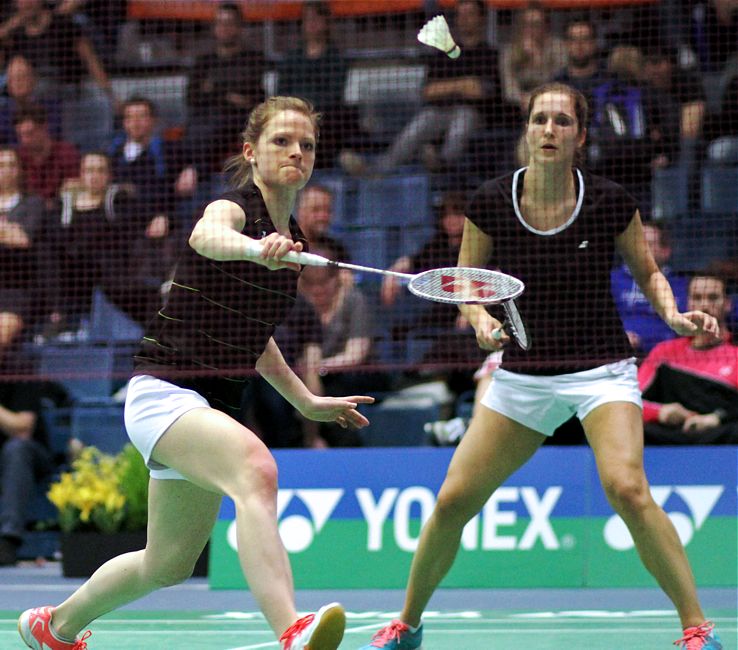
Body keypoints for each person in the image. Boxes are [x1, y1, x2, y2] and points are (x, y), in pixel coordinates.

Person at [357, 82, 723, 650]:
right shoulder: (489, 202)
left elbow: (648, 272)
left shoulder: (607, 201)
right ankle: (407, 623)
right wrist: (479, 322)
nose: (549, 130)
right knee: (454, 500)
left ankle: (697, 628)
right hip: (524, 374)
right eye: (539, 120)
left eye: (562, 122)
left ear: (579, 136)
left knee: (627, 488)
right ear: (526, 131)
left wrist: (672, 315)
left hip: (600, 368)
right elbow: (466, 284)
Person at [18, 96, 373, 650]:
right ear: (251, 152)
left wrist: (305, 400)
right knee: (257, 470)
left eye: (306, 144)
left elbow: (258, 342)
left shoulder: (291, 242)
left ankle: (53, 626)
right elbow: (205, 237)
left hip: (210, 408)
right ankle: (292, 630)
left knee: (166, 564)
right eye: (282, 141)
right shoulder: (234, 210)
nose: (296, 153)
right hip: (165, 392)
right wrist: (257, 249)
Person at [340, 0, 506, 175]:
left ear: (481, 18)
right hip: (439, 111)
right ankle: (377, 170)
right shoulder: (444, 53)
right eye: (460, 15)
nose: (464, 19)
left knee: (460, 126)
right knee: (416, 128)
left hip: (474, 114)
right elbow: (428, 91)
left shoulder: (491, 54)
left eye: (470, 14)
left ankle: (442, 166)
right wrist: (462, 85)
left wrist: (448, 87)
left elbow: (482, 91)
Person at [299, 243, 387, 446]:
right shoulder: (299, 305)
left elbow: (356, 354)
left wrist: (318, 368)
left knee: (338, 391)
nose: (317, 289)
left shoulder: (354, 301)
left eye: (323, 282)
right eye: (310, 283)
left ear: (336, 278)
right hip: (312, 377)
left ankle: (343, 448)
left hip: (356, 374)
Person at [639, 272, 738, 444]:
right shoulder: (665, 353)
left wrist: (716, 419)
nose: (704, 305)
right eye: (697, 298)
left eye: (713, 298)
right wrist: (660, 412)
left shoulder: (735, 354)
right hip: (670, 436)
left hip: (720, 437)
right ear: (688, 303)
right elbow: (630, 401)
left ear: (728, 304)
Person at [276, 0, 362, 169]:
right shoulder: (291, 58)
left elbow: (335, 93)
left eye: (317, 19)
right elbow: (281, 93)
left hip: (326, 120)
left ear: (326, 23)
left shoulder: (336, 58)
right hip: (293, 119)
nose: (312, 24)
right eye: (308, 19)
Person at [184, 2, 266, 176]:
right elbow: (191, 97)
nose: (224, 28)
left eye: (229, 23)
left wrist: (212, 90)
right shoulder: (203, 61)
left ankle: (195, 172)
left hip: (237, 123)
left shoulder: (253, 59)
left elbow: (253, 97)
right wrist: (228, 94)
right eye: (220, 23)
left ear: (239, 27)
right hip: (204, 122)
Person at [0, 0, 115, 100]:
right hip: (31, 94)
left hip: (65, 92)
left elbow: (91, 61)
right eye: (21, 1)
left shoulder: (63, 25)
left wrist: (109, 95)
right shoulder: (17, 34)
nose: (26, 3)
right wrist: (12, 24)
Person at [611, 220, 689, 354]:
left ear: (665, 251)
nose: (638, 249)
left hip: (666, 356)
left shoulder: (682, 286)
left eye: (648, 244)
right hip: (619, 356)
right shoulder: (611, 280)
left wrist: (645, 341)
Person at [0, 379, 53, 566]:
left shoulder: (19, 373)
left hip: (30, 457)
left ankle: (8, 541)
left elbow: (23, 427)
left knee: (16, 449)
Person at [0, 146, 44, 361]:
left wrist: (13, 234)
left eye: (11, 165)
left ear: (19, 170)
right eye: (1, 165)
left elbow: (23, 239)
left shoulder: (32, 204)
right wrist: (8, 230)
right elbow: (12, 235)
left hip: (15, 292)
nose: (6, 170)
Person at [500, 2, 567, 115]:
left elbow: (560, 81)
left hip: (551, 104)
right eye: (526, 24)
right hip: (518, 108)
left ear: (546, 26)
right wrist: (523, 99)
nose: (530, 29)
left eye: (536, 24)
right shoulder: (510, 51)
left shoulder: (558, 48)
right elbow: (509, 88)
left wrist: (539, 61)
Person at [14, 103, 80, 207]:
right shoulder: (19, 158)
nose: (25, 140)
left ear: (44, 128)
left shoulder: (66, 153)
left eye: (30, 134)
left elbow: (74, 189)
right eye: (21, 135)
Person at [0, 54, 62, 144]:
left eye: (22, 77)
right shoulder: (3, 113)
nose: (18, 83)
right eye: (13, 79)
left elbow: (53, 135)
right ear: (8, 85)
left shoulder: (51, 107)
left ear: (33, 80)